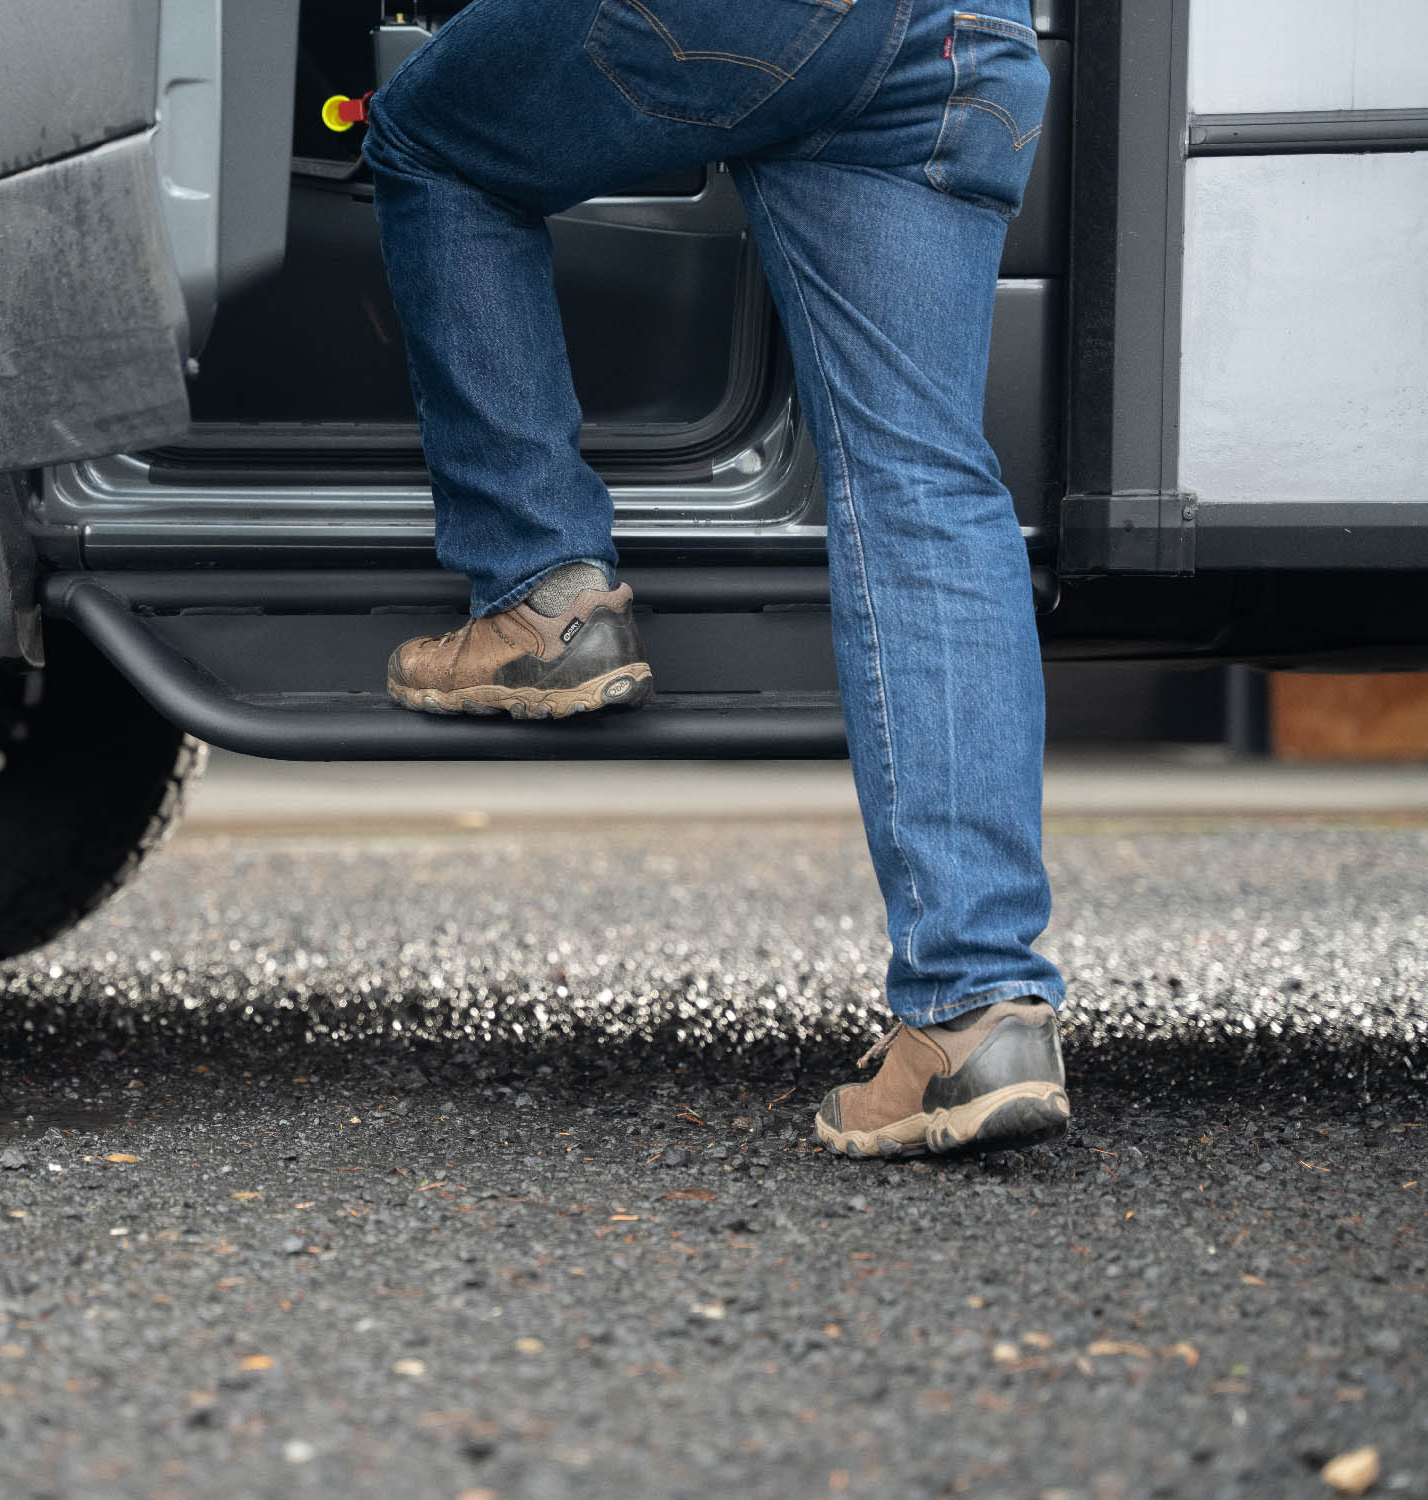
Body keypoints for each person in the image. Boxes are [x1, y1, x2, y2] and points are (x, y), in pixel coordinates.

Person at [364, 0, 1071, 1157]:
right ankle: (975, 1013)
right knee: (923, 482)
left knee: (427, 140)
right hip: (963, 35)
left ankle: (543, 585)